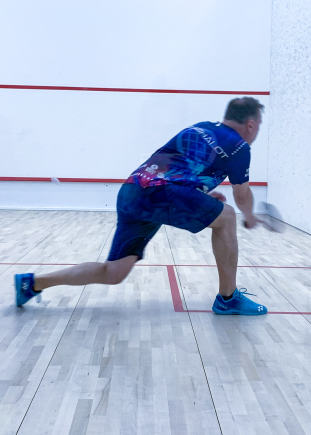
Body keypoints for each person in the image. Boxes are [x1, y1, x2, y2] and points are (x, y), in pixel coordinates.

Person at [15, 97, 268, 315]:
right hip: (160, 194)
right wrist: (250, 217)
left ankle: (32, 283)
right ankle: (228, 299)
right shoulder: (239, 146)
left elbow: (176, 166)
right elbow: (241, 196)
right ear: (250, 124)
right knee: (228, 216)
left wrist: (203, 195)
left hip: (133, 190)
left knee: (113, 272)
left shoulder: (201, 128)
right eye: (259, 125)